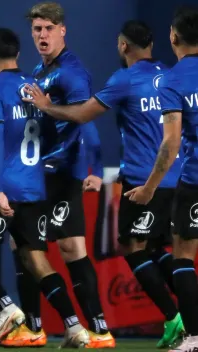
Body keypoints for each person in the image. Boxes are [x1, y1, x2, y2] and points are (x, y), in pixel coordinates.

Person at [23, 19, 186, 348]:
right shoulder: (171, 76)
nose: (42, 34)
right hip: (181, 179)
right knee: (163, 250)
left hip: (143, 181)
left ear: (123, 46)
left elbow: (83, 115)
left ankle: (175, 319)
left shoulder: (124, 80)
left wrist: (46, 106)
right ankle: (187, 317)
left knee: (131, 247)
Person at [0, 27, 90, 348]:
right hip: (34, 186)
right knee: (36, 259)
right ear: (17, 54)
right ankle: (75, 328)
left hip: (1, 186)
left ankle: (9, 310)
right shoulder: (35, 86)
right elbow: (55, 134)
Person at [15, 3, 114, 349]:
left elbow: (86, 117)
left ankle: (92, 329)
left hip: (61, 172)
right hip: (42, 173)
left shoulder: (71, 72)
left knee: (35, 246)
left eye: (48, 28)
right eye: (37, 29)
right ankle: (43, 327)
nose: (42, 35)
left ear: (62, 30)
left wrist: (96, 170)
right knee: (52, 247)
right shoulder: (38, 71)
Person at [121, 6, 198, 352]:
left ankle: (192, 337)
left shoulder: (174, 79)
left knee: (183, 257)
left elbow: (170, 142)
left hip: (193, 179)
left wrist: (150, 186)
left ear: (173, 38)